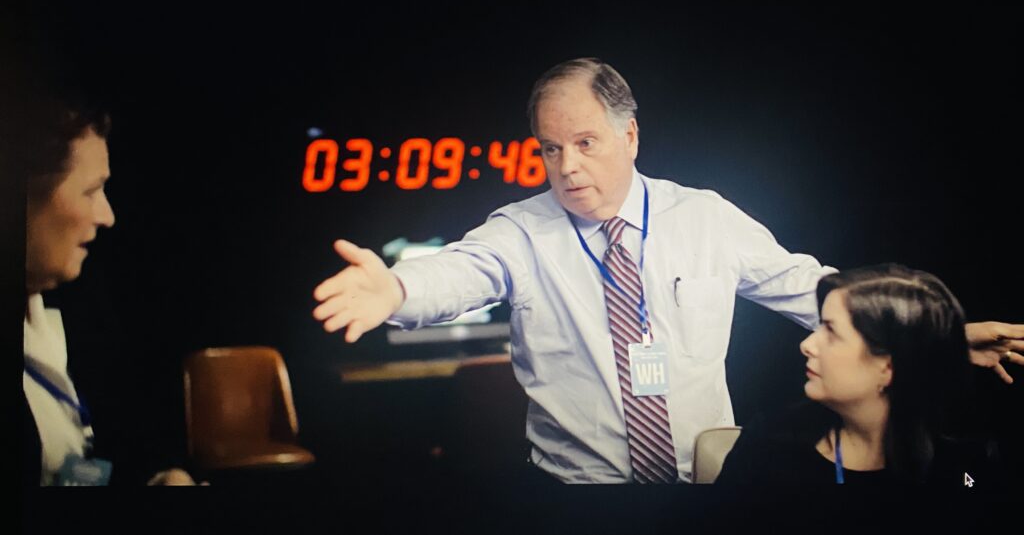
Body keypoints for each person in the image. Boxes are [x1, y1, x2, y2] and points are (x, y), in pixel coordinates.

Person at [312, 58, 1024, 483]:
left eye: (585, 142)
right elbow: (458, 275)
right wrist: (397, 288)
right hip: (578, 497)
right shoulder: (520, 232)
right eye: (551, 149)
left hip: (713, 483)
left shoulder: (705, 217)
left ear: (630, 135)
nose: (567, 167)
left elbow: (810, 287)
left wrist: (935, 337)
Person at [22, 96, 200, 486]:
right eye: (90, 191)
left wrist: (159, 480)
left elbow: (111, 453)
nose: (108, 216)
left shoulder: (76, 310)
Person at [716, 264, 1006, 486]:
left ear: (888, 367)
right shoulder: (770, 445)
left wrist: (947, 342)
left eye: (831, 331)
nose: (807, 345)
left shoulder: (965, 467)